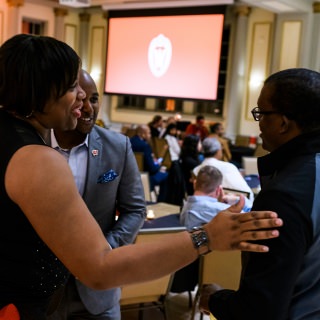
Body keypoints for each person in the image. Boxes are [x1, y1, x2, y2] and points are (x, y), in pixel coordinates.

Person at [0, 34, 283, 319]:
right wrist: (206, 237)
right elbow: (100, 268)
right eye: (73, 86)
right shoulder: (37, 159)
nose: (83, 96)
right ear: (43, 91)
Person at [199, 68, 320, 320]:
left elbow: (261, 309)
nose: (259, 123)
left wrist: (215, 299)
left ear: (283, 123)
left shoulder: (285, 195)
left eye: (261, 114)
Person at [49, 69, 146, 319]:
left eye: (94, 99)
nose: (90, 108)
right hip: (42, 292)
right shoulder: (32, 145)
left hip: (99, 293)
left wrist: (106, 248)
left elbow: (135, 210)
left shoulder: (118, 147)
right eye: (81, 100)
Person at [180, 166, 251, 230]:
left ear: (195, 184)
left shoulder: (185, 206)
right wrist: (236, 199)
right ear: (218, 190)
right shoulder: (220, 209)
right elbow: (251, 216)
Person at [193, 137, 254, 203]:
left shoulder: (196, 170)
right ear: (218, 151)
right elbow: (248, 195)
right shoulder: (229, 167)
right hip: (234, 205)